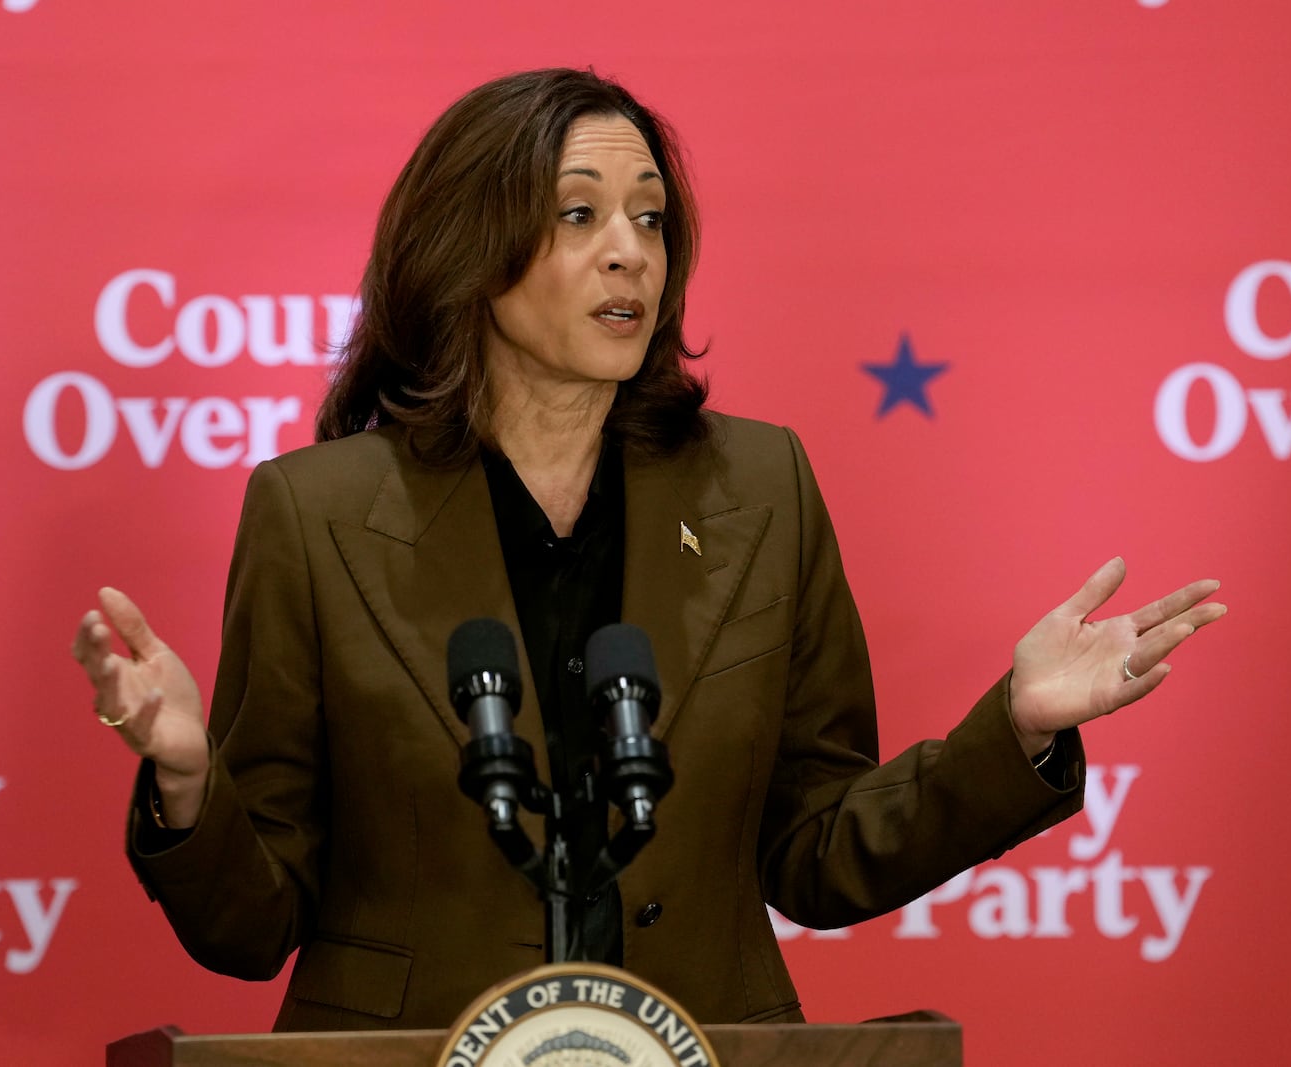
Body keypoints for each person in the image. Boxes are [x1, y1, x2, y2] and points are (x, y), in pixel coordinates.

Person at [71, 68, 1225, 1031]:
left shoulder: (760, 486)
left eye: (649, 216)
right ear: (470, 244)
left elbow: (817, 847)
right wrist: (184, 777)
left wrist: (1014, 731)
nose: (629, 252)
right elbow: (250, 920)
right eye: (579, 214)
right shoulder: (315, 512)